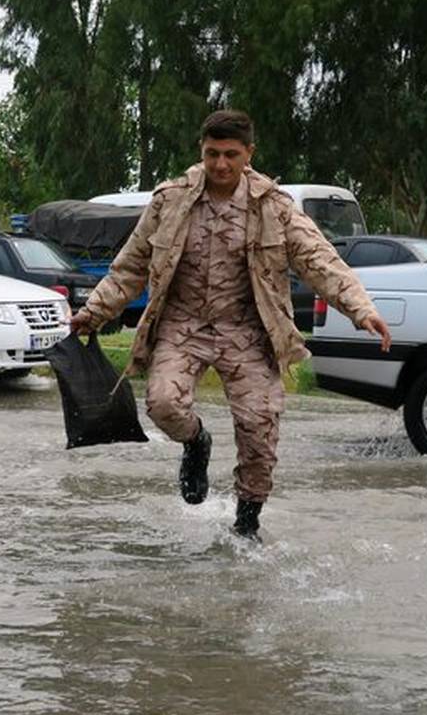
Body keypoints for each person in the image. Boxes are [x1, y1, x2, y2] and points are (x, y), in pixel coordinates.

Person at [69, 110, 391, 541]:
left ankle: (246, 524)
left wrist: (361, 309)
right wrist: (93, 312)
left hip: (248, 329)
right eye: (211, 154)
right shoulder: (171, 200)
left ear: (248, 154)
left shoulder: (274, 207)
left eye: (230, 155)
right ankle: (196, 442)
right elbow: (131, 266)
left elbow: (320, 260)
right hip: (183, 324)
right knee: (163, 404)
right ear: (201, 151)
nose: (220, 164)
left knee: (260, 427)